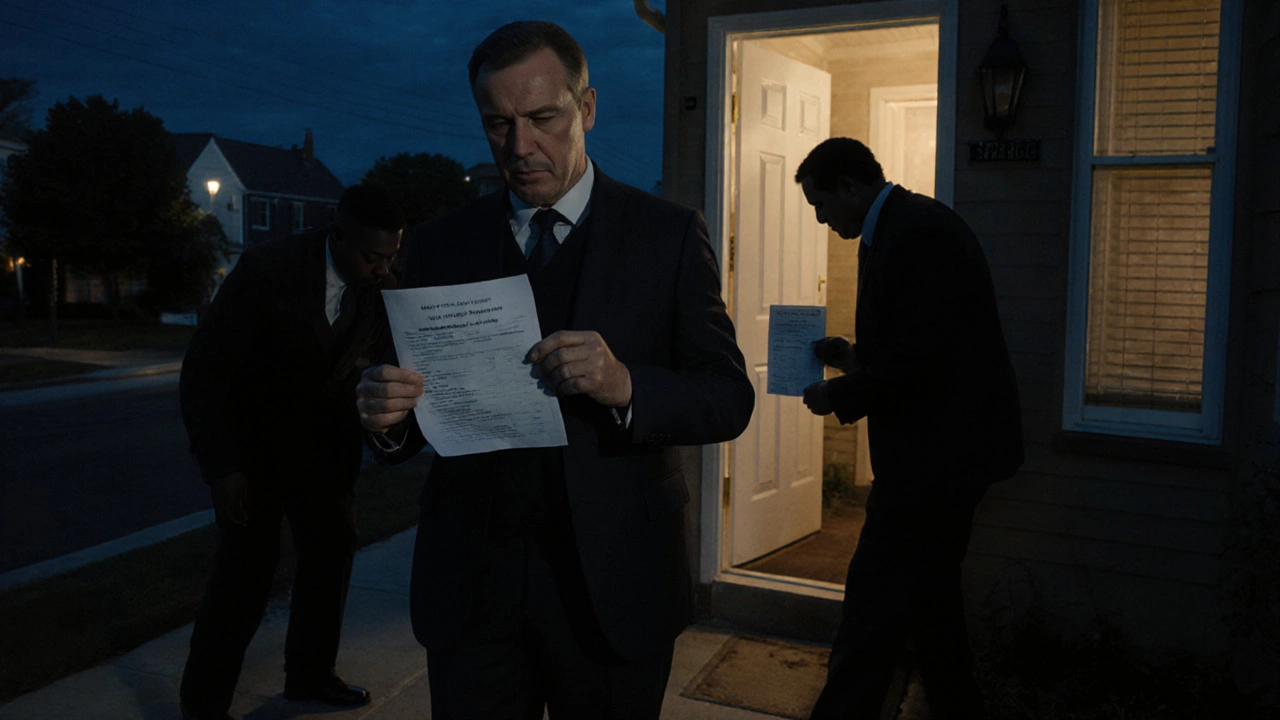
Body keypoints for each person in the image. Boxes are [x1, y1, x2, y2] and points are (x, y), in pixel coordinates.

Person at [355, 20, 754, 720]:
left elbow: (727, 398)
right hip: (472, 591)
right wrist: (387, 418)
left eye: (543, 118)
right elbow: (416, 412)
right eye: (498, 124)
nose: (520, 147)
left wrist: (627, 385)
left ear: (588, 108)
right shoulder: (442, 243)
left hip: (616, 587)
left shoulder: (666, 234)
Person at [796, 137, 1023, 720]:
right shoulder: (895, 229)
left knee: (873, 602)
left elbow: (922, 358)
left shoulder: (920, 233)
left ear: (849, 185)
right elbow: (919, 341)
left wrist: (838, 394)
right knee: (931, 602)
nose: (823, 220)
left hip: (938, 459)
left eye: (822, 205)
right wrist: (851, 355)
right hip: (937, 455)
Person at [177, 184, 404, 720]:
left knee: (329, 562)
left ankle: (309, 677)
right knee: (244, 577)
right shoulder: (266, 270)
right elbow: (204, 372)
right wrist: (223, 468)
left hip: (328, 457)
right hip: (253, 458)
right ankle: (203, 705)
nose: (381, 268)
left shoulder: (383, 286)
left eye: (391, 256)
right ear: (338, 234)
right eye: (372, 256)